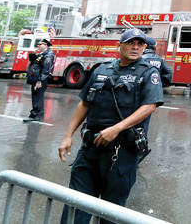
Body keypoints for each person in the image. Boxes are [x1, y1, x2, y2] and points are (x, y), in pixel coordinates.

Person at [57, 28, 164, 224]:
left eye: (140, 44)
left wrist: (116, 129)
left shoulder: (148, 73)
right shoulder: (102, 70)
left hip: (122, 154)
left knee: (110, 214)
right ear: (119, 45)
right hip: (90, 150)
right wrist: (68, 135)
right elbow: (85, 103)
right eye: (131, 43)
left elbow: (150, 105)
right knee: (75, 208)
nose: (136, 47)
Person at [24, 38, 55, 123]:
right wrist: (32, 55)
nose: (38, 45)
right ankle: (35, 114)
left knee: (38, 96)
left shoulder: (49, 54)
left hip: (41, 79)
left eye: (40, 44)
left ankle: (37, 115)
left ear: (45, 45)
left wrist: (40, 81)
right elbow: (34, 62)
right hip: (37, 78)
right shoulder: (41, 54)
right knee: (35, 96)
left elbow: (46, 69)